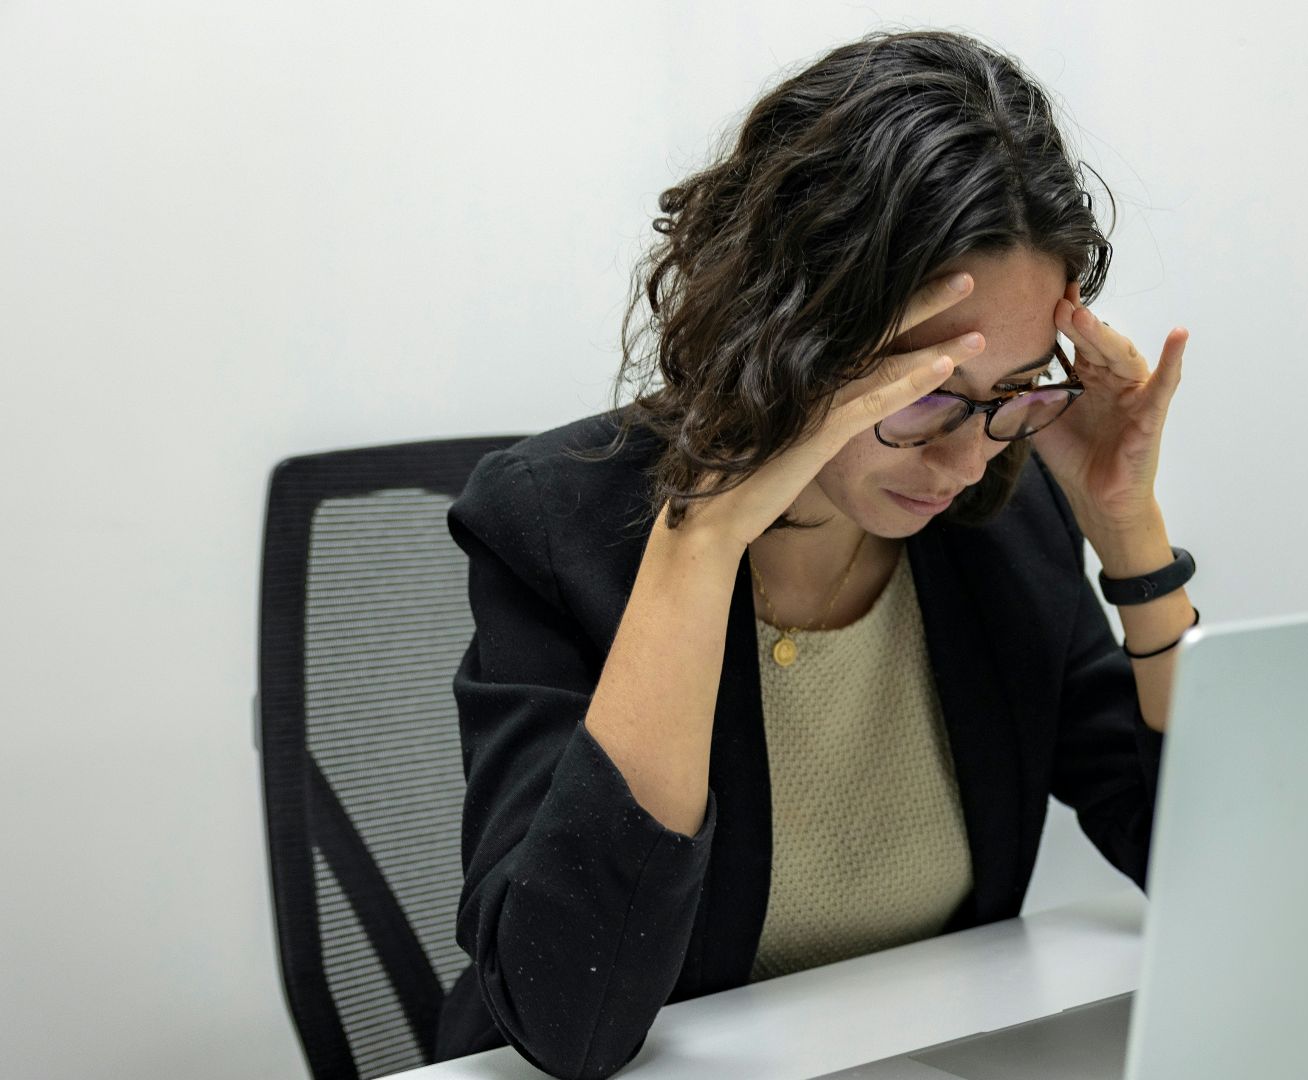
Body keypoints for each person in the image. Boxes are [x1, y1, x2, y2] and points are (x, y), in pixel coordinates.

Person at [433, 27, 1197, 1080]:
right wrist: (701, 546)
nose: (966, 458)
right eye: (923, 393)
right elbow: (572, 1017)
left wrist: (1130, 539)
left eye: (1015, 393)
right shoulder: (556, 526)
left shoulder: (1000, 528)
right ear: (788, 329)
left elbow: (1212, 871)